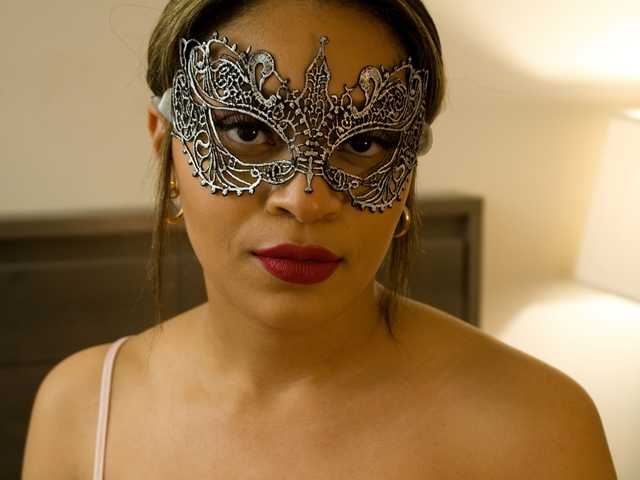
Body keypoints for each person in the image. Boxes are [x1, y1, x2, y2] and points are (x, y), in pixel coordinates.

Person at [22, 0, 617, 478]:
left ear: (408, 169)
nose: (305, 199)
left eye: (363, 143)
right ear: (164, 141)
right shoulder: (80, 411)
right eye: (248, 130)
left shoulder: (541, 430)